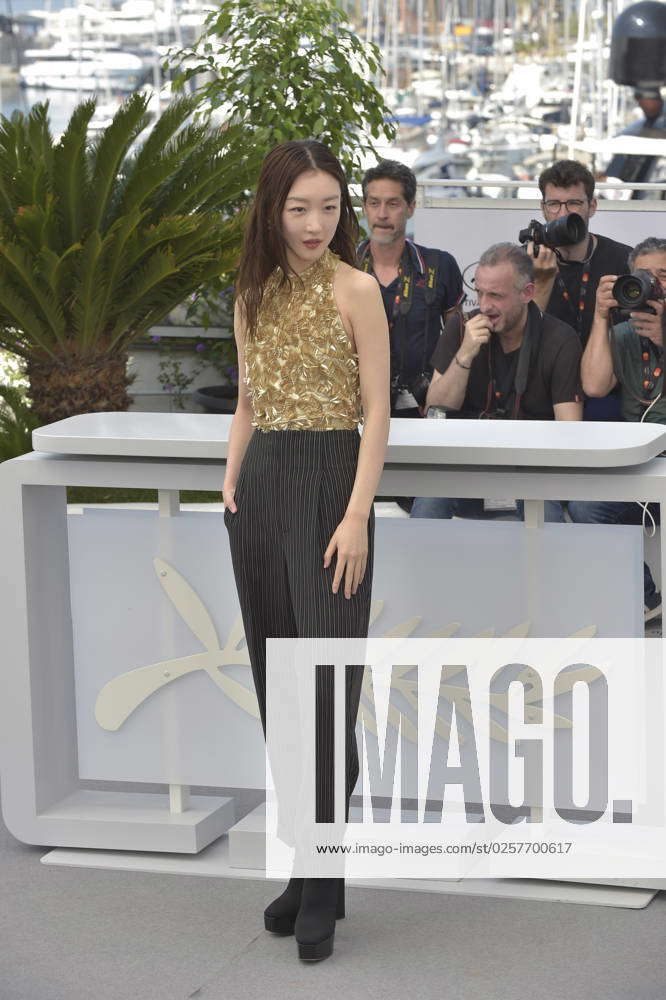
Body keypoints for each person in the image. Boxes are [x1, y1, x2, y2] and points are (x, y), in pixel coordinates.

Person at [223, 139, 390, 961]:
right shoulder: (250, 292)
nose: (316, 222)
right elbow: (249, 401)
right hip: (260, 492)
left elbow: (376, 412)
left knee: (325, 690)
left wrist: (357, 513)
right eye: (299, 208)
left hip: (332, 490)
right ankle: (308, 864)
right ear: (272, 211)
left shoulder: (356, 289)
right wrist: (230, 485)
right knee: (279, 690)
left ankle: (323, 878)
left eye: (329, 206)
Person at [410, 242, 582, 522]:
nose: (485, 306)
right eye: (479, 293)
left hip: (530, 471)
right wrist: (465, 354)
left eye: (496, 295)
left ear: (527, 293)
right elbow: (436, 407)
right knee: (429, 503)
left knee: (546, 517)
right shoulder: (462, 326)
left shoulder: (559, 338)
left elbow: (570, 431)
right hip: (466, 465)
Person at [568, 236, 666, 622]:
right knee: (585, 506)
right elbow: (594, 385)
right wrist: (600, 315)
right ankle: (646, 598)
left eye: (664, 275)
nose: (655, 284)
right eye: (645, 276)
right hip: (641, 463)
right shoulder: (625, 332)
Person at [359, 158, 464, 420]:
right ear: (364, 208)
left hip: (422, 409)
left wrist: (440, 394)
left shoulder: (440, 265)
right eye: (374, 203)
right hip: (354, 412)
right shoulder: (342, 267)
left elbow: (458, 339)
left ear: (411, 208)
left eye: (393, 204)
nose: (382, 214)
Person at [527, 159, 632, 420]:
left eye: (574, 203)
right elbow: (520, 343)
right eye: (554, 204)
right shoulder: (525, 262)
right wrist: (540, 283)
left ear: (592, 206)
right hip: (544, 386)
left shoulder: (623, 259)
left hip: (605, 388)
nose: (563, 214)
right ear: (543, 208)